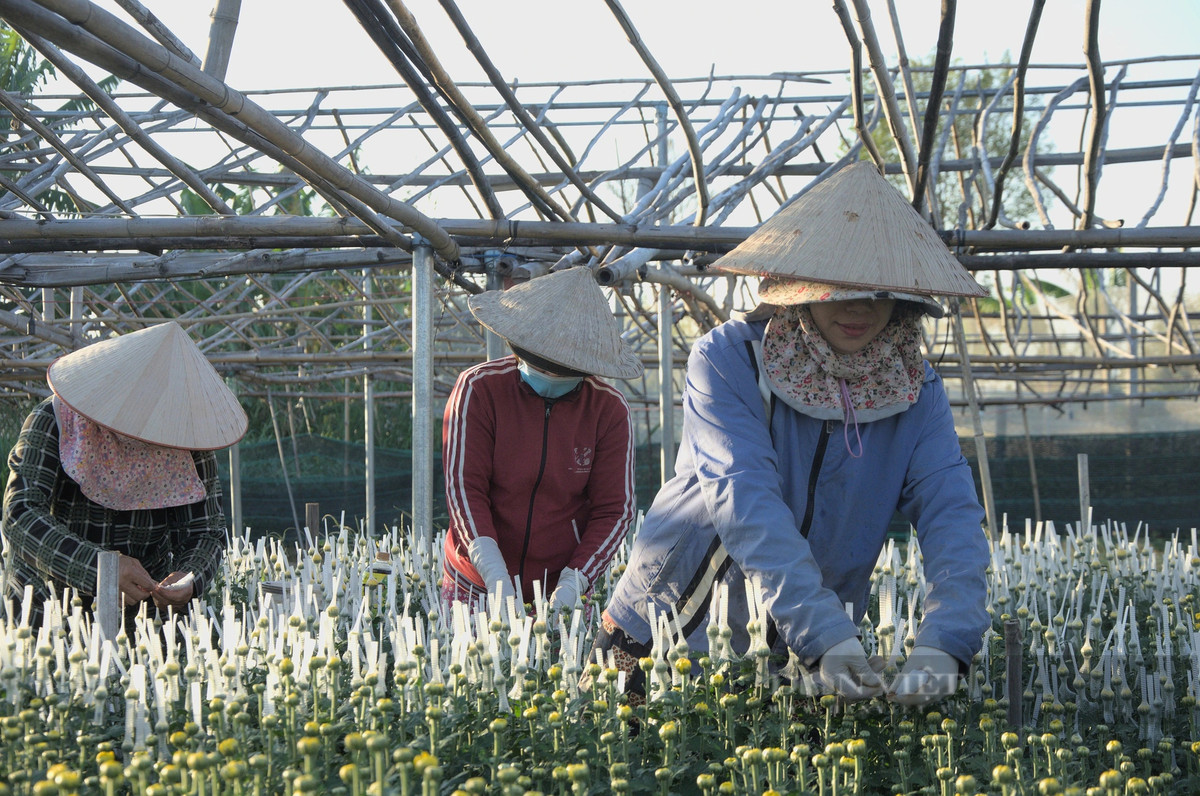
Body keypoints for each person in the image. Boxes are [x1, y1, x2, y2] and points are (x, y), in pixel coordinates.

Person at [592, 162, 992, 708]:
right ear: (800, 288)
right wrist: (823, 634)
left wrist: (948, 642)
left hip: (815, 644)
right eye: (839, 287)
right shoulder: (730, 359)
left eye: (879, 292)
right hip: (677, 625)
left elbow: (952, 512)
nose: (859, 308)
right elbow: (745, 499)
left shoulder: (914, 385)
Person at [2, 321, 248, 627]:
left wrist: (190, 577)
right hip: (46, 611)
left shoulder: (187, 436)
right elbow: (21, 513)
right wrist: (100, 568)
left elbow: (206, 532)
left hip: (142, 623)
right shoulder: (58, 421)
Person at [441, 266, 643, 615]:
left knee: (559, 666)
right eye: (541, 365)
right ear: (519, 348)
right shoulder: (479, 389)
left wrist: (576, 580)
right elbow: (464, 488)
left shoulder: (608, 410)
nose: (549, 376)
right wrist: (492, 571)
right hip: (475, 579)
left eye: (562, 371)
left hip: (560, 583)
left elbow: (615, 509)